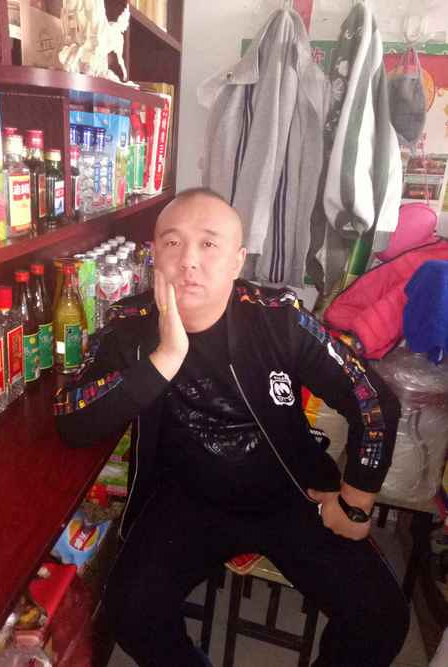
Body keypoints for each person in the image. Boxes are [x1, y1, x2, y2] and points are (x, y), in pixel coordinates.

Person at [55, 188, 409, 667]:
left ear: (238, 260)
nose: (188, 260)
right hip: (186, 500)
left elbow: (373, 400)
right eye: (173, 243)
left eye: (208, 244)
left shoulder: (278, 319)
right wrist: (164, 359)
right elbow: (71, 419)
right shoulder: (131, 324)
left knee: (381, 617)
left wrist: (357, 500)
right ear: (154, 255)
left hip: (291, 494)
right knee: (129, 610)